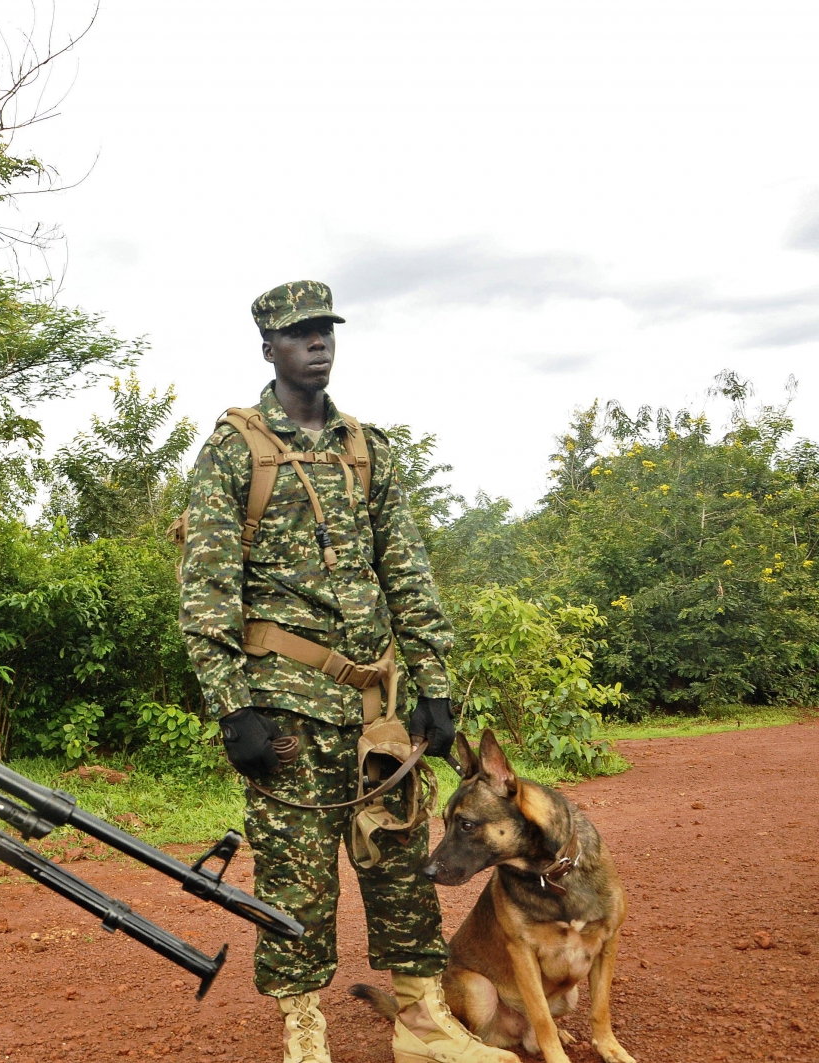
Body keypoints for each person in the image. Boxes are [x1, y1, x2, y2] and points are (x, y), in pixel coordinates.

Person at [178, 281, 515, 1063]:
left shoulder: (367, 448)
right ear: (269, 348)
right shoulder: (235, 449)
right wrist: (234, 711)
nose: (317, 344)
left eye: (324, 330)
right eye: (298, 334)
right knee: (296, 880)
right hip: (285, 710)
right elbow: (206, 591)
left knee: (399, 861)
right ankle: (303, 1028)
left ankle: (422, 1019)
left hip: (377, 712)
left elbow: (409, 573)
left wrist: (433, 684)